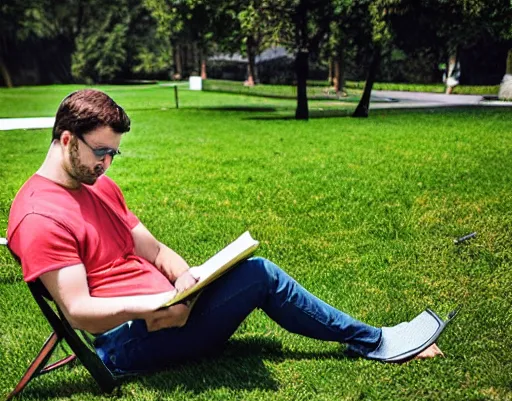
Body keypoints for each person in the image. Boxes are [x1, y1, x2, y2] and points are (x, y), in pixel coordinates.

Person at [7, 89, 442, 376]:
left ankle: (370, 339)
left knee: (251, 270)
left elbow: (155, 249)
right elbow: (79, 310)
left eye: (114, 154)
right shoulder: (40, 217)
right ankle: (374, 341)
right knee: (260, 275)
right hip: (134, 339)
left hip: (172, 310)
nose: (107, 165)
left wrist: (181, 280)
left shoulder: (99, 186)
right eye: (101, 153)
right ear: (67, 140)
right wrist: (156, 304)